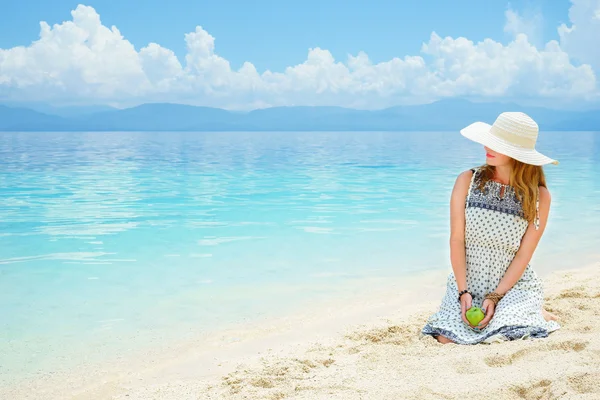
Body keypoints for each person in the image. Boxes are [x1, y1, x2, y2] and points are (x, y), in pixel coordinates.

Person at [421, 111, 560, 345]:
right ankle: (532, 310)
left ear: (519, 153)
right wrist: (463, 292)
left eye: (498, 144)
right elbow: (457, 240)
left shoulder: (539, 196)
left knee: (508, 333)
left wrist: (496, 297)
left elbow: (524, 254)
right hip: (467, 282)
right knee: (445, 337)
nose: (487, 146)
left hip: (511, 285)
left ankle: (532, 307)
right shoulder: (468, 179)